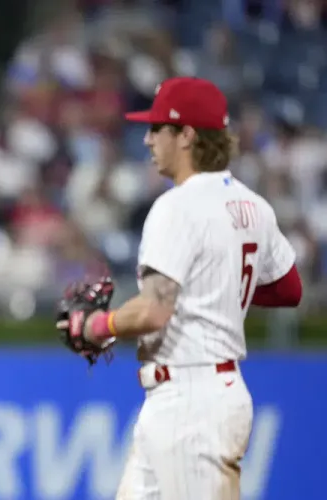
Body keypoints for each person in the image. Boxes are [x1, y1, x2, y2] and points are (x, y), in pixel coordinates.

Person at [57, 77, 302, 499]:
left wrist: (99, 325)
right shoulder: (252, 205)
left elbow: (154, 310)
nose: (148, 139)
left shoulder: (177, 206)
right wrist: (220, 288)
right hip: (191, 398)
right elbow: (288, 288)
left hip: (192, 402)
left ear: (187, 135)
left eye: (158, 129)